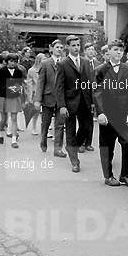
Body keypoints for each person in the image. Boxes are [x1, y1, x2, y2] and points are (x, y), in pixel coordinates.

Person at [93, 41, 128, 187]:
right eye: (115, 50)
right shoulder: (100, 69)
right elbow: (97, 92)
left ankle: (125, 175)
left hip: (124, 114)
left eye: (121, 50)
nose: (119, 52)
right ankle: (108, 175)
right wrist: (100, 113)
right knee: (107, 145)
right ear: (109, 51)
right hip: (107, 114)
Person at [55, 35, 94, 173]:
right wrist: (62, 106)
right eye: (73, 45)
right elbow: (59, 87)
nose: (76, 48)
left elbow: (90, 83)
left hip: (84, 101)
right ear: (68, 47)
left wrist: (93, 102)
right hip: (69, 102)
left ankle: (72, 146)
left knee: (86, 127)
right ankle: (75, 162)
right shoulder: (62, 64)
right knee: (70, 131)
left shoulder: (85, 62)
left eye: (78, 45)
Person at [35, 40, 66, 158]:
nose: (59, 49)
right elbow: (40, 83)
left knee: (60, 124)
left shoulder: (65, 62)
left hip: (61, 99)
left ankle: (58, 149)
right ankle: (43, 141)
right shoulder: (45, 63)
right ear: (51, 48)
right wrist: (38, 99)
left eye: (61, 47)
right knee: (46, 123)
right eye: (57, 47)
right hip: (48, 97)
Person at [0, 53, 24, 148]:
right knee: (4, 119)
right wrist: (8, 88)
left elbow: (19, 85)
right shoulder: (1, 71)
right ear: (7, 61)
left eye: (15, 61)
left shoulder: (19, 72)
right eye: (11, 61)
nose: (13, 63)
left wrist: (15, 89)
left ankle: (14, 139)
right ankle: (0, 132)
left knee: (14, 118)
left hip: (14, 96)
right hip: (3, 96)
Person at [79, 42, 99, 153]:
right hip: (83, 95)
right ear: (85, 51)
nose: (91, 51)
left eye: (93, 49)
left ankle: (88, 143)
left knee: (90, 121)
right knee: (82, 120)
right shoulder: (82, 63)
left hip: (94, 95)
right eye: (89, 49)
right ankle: (81, 143)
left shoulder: (97, 63)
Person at [25, 53, 45, 135]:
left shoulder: (47, 68)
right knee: (36, 112)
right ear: (39, 60)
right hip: (36, 93)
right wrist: (29, 97)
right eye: (43, 59)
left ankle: (45, 130)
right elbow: (29, 84)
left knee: (46, 113)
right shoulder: (31, 70)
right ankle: (33, 127)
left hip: (46, 93)